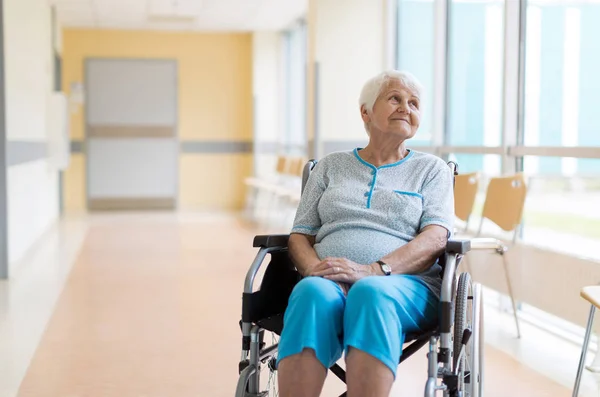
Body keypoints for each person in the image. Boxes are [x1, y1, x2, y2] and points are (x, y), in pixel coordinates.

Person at [276, 70, 455, 397]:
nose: (406, 108)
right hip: (330, 279)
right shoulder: (329, 167)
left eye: (414, 103)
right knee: (312, 293)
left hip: (405, 285)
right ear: (366, 112)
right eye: (395, 99)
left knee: (370, 292)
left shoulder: (432, 170)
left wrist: (376, 269)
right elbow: (300, 235)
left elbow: (436, 238)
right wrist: (314, 270)